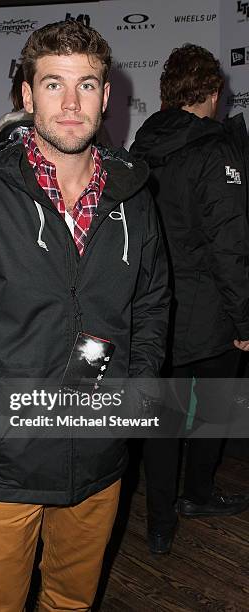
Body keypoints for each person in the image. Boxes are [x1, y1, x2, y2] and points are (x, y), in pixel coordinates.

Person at [0, 20, 170, 611]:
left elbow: (151, 303)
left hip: (100, 455)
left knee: (71, 603)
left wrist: (137, 393)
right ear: (27, 95)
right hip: (6, 461)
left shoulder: (133, 197)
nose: (71, 104)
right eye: (53, 84)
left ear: (106, 96)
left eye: (87, 85)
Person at [131, 43, 249, 555]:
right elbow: (231, 246)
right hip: (209, 311)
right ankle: (197, 495)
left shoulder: (140, 146)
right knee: (214, 407)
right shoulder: (214, 150)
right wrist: (245, 319)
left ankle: (159, 524)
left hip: (153, 310)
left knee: (162, 421)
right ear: (213, 91)